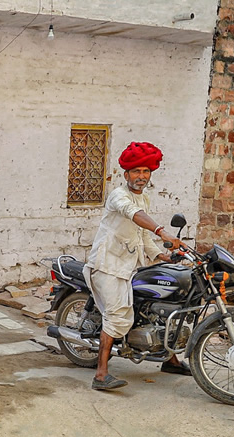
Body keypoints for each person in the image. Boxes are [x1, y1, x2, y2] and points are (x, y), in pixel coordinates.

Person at [82, 141, 189, 391]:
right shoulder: (119, 196)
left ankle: (170, 360)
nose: (141, 177)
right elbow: (133, 215)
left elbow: (142, 236)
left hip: (130, 265)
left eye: (146, 172)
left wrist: (163, 256)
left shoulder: (145, 198)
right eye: (136, 172)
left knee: (159, 308)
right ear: (126, 174)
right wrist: (162, 232)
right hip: (107, 265)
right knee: (119, 317)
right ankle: (100, 374)